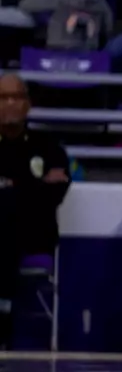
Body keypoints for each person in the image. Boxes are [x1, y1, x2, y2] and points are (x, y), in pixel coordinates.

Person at [0, 74, 69, 348]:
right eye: (3, 98)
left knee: (8, 214)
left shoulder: (48, 147)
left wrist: (11, 187)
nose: (10, 103)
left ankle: (3, 313)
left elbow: (55, 195)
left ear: (28, 104)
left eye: (16, 97)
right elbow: (41, 192)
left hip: (35, 235)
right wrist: (34, 185)